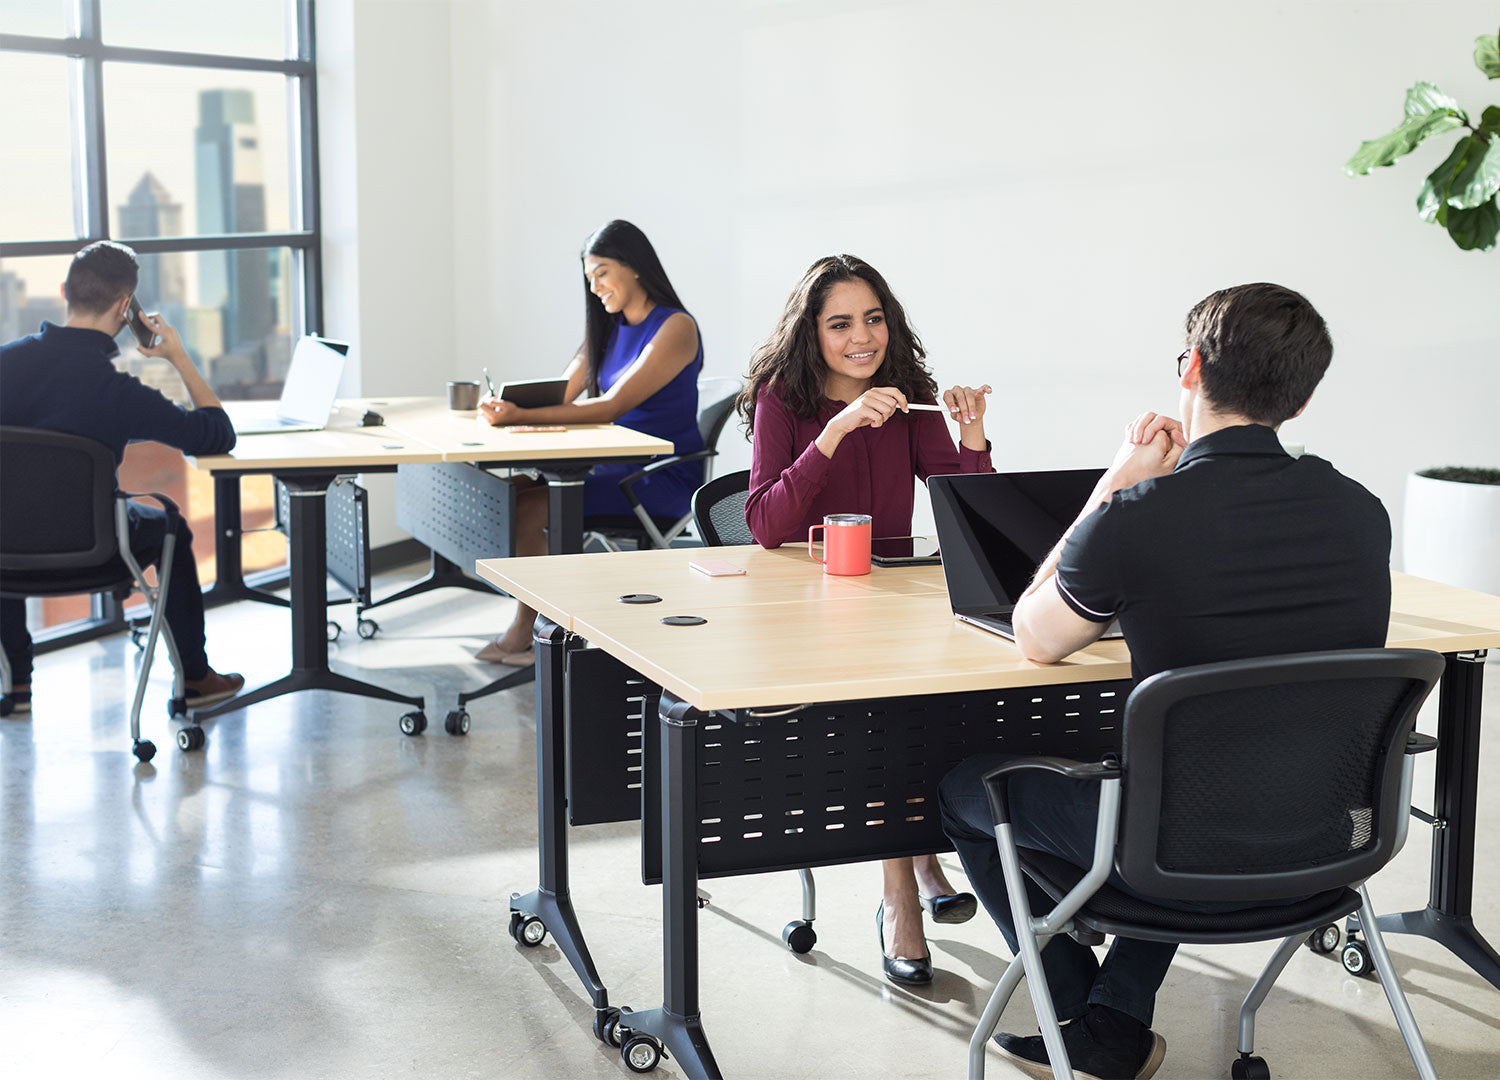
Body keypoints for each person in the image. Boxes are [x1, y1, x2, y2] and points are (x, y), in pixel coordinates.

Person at [939, 282, 1391, 1080]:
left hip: (1177, 853)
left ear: (1190, 368)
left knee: (964, 787)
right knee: (1203, 774)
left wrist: (1118, 477)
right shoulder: (1363, 513)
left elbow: (1033, 635)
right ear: (1304, 398)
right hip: (1325, 843)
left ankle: (1073, 995)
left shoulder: (1139, 514)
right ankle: (1115, 1017)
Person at [739, 252, 995, 986]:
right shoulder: (782, 401)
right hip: (806, 613)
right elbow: (763, 524)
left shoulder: (906, 395)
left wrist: (971, 436)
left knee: (950, 699)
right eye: (842, 323)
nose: (863, 336)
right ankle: (901, 895)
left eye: (874, 319)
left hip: (891, 603)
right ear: (811, 332)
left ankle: (921, 855)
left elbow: (965, 507)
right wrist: (837, 432)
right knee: (892, 714)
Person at [0, 241, 245, 717]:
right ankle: (195, 677)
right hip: (96, 550)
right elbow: (217, 434)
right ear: (125, 307)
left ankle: (18, 685)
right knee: (170, 526)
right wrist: (177, 356)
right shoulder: (118, 392)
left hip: (5, 553)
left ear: (65, 292)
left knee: (9, 517)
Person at [473, 219, 704, 666]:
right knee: (510, 492)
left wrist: (523, 416)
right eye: (589, 278)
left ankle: (535, 629)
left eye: (601, 273)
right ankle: (546, 620)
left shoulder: (675, 327)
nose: (595, 287)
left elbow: (611, 406)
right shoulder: (609, 328)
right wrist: (507, 404)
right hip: (609, 467)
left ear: (634, 267)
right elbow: (561, 393)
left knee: (524, 508)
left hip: (652, 477)